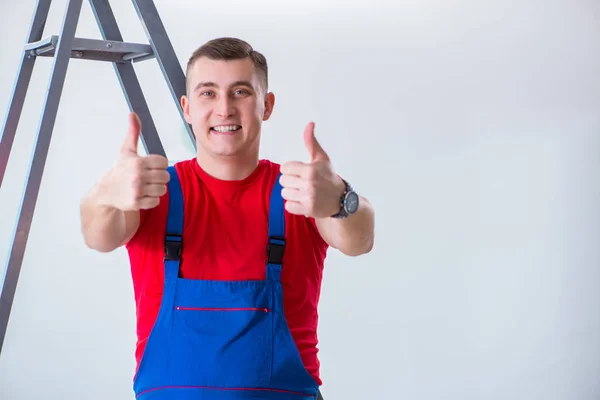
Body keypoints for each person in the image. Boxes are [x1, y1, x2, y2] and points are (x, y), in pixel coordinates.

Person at [80, 37, 375, 399]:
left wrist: (342, 199)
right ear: (187, 108)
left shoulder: (302, 193)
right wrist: (105, 194)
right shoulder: (150, 191)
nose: (224, 109)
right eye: (208, 93)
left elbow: (360, 239)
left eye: (240, 92)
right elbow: (97, 235)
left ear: (266, 106)